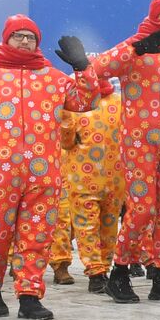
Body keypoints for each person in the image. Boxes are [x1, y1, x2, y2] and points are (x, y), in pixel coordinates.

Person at [0, 16, 99, 320]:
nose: (25, 41)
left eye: (31, 37)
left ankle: (29, 296)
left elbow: (86, 101)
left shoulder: (54, 78)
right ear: (6, 39)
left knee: (37, 237)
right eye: (19, 36)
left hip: (43, 176)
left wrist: (83, 69)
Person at [90, 0, 160, 304]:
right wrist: (137, 47)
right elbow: (98, 68)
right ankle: (119, 273)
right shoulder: (137, 44)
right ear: (155, 15)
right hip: (138, 138)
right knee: (143, 207)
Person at [55, 75, 127, 294]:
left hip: (83, 178)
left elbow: (66, 140)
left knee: (87, 226)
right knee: (108, 225)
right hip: (115, 177)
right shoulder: (120, 103)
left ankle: (96, 272)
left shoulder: (75, 107)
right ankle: (101, 268)